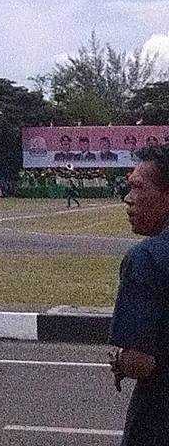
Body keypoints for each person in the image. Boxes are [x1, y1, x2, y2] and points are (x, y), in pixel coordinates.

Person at [111, 145, 169, 445]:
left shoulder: (146, 259)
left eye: (137, 188)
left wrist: (121, 361)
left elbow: (140, 362)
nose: (128, 198)